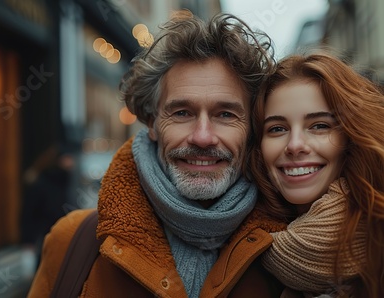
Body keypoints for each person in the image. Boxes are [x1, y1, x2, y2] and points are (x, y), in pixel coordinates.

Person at [28, 10, 283, 297]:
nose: (202, 137)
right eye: (182, 112)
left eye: (225, 114)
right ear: (152, 122)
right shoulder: (73, 242)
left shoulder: (292, 253)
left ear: (251, 127)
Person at [249, 52, 384, 297]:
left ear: (350, 137)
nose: (295, 145)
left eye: (319, 126)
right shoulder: (240, 255)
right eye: (277, 129)